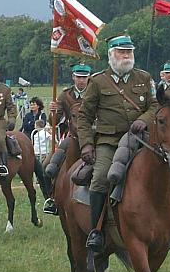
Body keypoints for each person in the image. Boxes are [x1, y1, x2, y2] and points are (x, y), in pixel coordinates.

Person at [76, 35, 160, 252]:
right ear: (111, 55)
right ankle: (96, 231)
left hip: (142, 140)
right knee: (101, 177)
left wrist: (144, 120)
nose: (126, 56)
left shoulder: (144, 78)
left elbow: (155, 106)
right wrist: (86, 144)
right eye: (122, 52)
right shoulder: (97, 81)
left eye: (129, 52)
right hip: (109, 141)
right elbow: (84, 116)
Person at [43, 63, 92, 215]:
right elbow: (54, 122)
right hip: (73, 137)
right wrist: (53, 112)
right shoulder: (65, 95)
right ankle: (52, 198)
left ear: (89, 77)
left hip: (93, 136)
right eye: (78, 77)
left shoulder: (96, 92)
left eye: (84, 77)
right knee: (47, 164)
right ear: (73, 77)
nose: (81, 80)